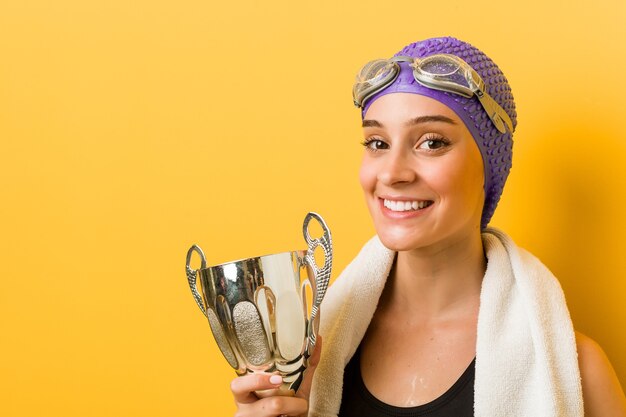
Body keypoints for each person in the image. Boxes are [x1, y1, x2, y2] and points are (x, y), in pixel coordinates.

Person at [229, 36, 626, 417]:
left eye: (432, 142)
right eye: (377, 142)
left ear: (489, 169)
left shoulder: (576, 372)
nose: (392, 172)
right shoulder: (314, 349)